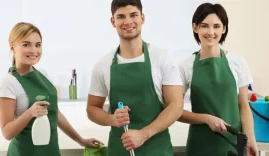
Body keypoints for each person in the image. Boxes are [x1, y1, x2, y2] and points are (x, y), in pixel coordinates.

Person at [86, 0, 184, 155]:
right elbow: (92, 108)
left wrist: (143, 134)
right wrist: (112, 119)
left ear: (142, 18)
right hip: (119, 151)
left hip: (157, 150)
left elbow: (176, 106)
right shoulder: (103, 65)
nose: (128, 22)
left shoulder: (162, 58)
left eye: (133, 15)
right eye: (121, 17)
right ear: (113, 21)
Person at [0, 22, 103, 156]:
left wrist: (81, 141)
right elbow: (7, 132)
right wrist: (30, 113)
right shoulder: (8, 83)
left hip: (50, 152)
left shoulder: (43, 74)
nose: (34, 50)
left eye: (38, 45)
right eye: (26, 44)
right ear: (12, 47)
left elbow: (55, 113)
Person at [178, 3, 258, 156]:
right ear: (195, 28)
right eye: (205, 26)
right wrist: (207, 119)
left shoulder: (237, 61)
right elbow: (175, 112)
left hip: (233, 142)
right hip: (200, 144)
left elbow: (244, 107)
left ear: (224, 28)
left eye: (216, 26)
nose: (211, 32)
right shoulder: (185, 66)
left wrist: (251, 139)